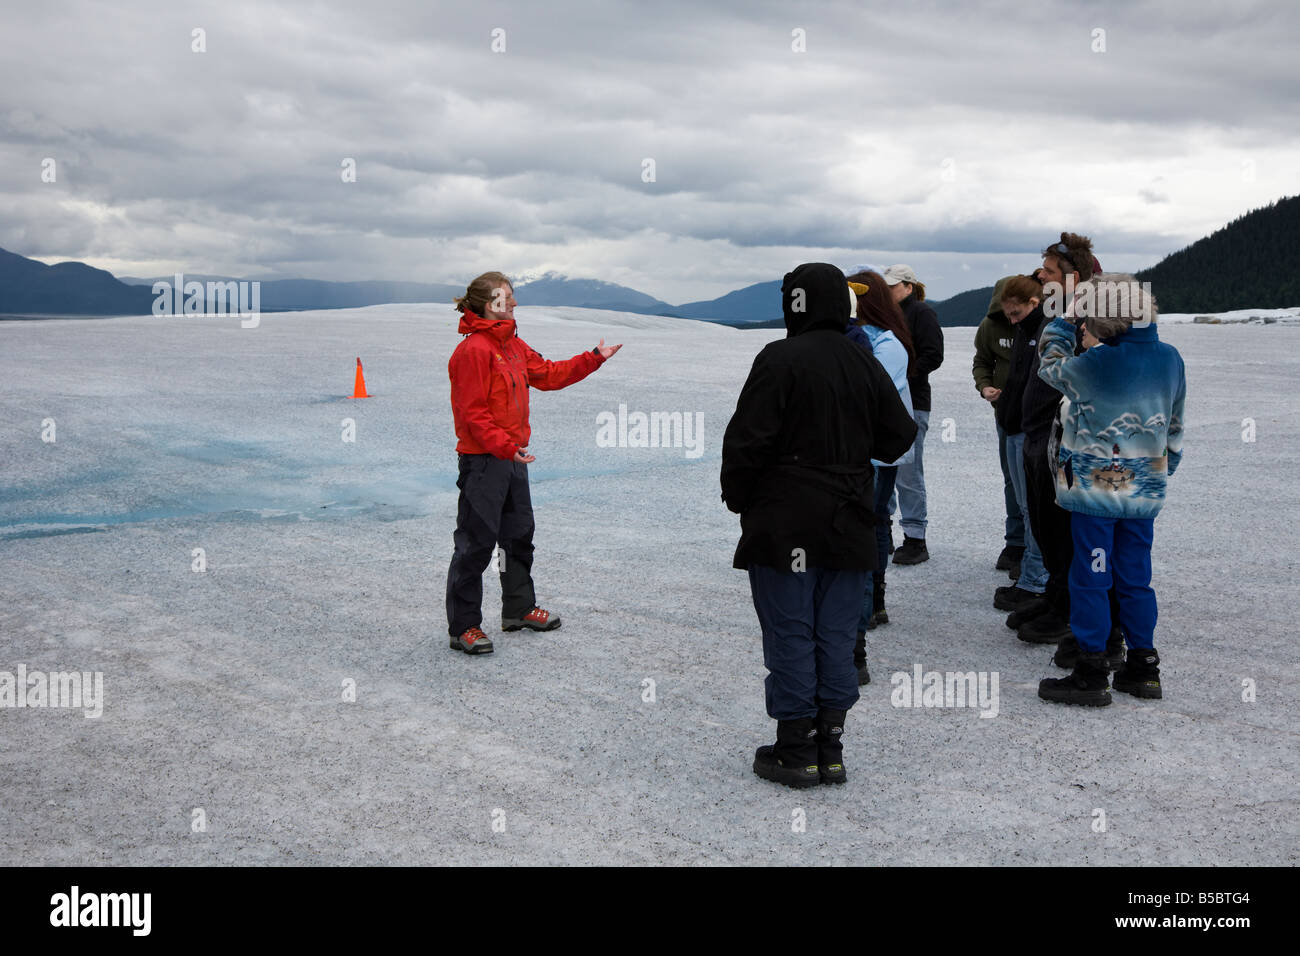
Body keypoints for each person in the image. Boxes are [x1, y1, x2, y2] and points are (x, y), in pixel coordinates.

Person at [721, 263, 915, 788]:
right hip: (849, 518)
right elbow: (898, 437)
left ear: (796, 304)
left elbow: (747, 442)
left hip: (785, 519)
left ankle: (795, 747)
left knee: (791, 628)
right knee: (833, 632)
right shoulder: (862, 357)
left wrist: (739, 499)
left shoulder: (779, 358)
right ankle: (830, 746)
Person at [445, 271, 621, 655]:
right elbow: (472, 414)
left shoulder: (513, 345)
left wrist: (592, 359)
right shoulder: (473, 351)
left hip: (512, 459)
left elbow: (548, 374)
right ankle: (464, 627)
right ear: (488, 303)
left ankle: (518, 609)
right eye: (506, 297)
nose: (513, 303)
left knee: (518, 536)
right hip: (483, 463)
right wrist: (506, 447)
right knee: (475, 545)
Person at [1035, 274, 1185, 705]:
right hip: (1145, 487)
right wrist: (1159, 470)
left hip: (1094, 492)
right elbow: (1175, 426)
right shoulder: (1170, 358)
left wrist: (1062, 324)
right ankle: (1143, 667)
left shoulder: (1098, 364)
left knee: (1091, 577)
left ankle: (1091, 672)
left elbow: (1052, 368)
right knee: (1136, 578)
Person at [1016, 233, 1095, 646]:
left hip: (1059, 438)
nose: (1040, 276)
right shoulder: (1055, 313)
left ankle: (1067, 608)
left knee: (1060, 524)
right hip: (1036, 433)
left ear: (1073, 276)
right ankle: (1053, 596)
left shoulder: (1090, 319)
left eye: (1048, 271)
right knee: (1044, 522)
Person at [844, 271, 916, 685]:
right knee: (874, 521)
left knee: (870, 523)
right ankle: (873, 602)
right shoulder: (875, 338)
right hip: (869, 451)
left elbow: (864, 392)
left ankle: (870, 603)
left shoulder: (885, 344)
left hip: (876, 453)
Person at [989, 275, 1051, 614]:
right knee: (1026, 505)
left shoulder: (1043, 332)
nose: (1012, 320)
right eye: (1008, 315)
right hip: (1013, 425)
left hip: (1027, 431)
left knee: (1033, 509)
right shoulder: (1026, 331)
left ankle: (1035, 580)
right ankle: (1030, 574)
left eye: (1016, 313)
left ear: (1034, 303)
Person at [882, 264, 944, 565]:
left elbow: (934, 354)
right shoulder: (887, 314)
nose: (889, 291)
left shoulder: (921, 313)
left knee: (908, 471)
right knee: (882, 466)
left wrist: (904, 377)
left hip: (913, 401)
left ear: (909, 286)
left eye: (893, 286)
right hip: (886, 402)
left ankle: (915, 538)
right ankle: (883, 531)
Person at [973, 276, 1025, 577]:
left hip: (1033, 417)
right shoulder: (990, 326)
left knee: (1030, 484)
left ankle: (1032, 549)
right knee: (1011, 480)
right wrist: (985, 386)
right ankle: (1015, 543)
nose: (1010, 316)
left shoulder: (1039, 326)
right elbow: (982, 360)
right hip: (1004, 415)